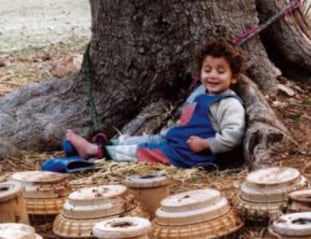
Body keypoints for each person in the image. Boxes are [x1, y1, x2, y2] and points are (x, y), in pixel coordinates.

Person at [66, 38, 246, 168]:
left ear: (235, 77)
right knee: (143, 140)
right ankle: (109, 144)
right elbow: (187, 118)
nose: (213, 75)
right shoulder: (200, 91)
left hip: (188, 155)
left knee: (143, 152)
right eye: (207, 70)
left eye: (221, 71)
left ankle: (94, 152)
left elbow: (233, 136)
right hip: (174, 140)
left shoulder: (228, 104)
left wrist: (206, 144)